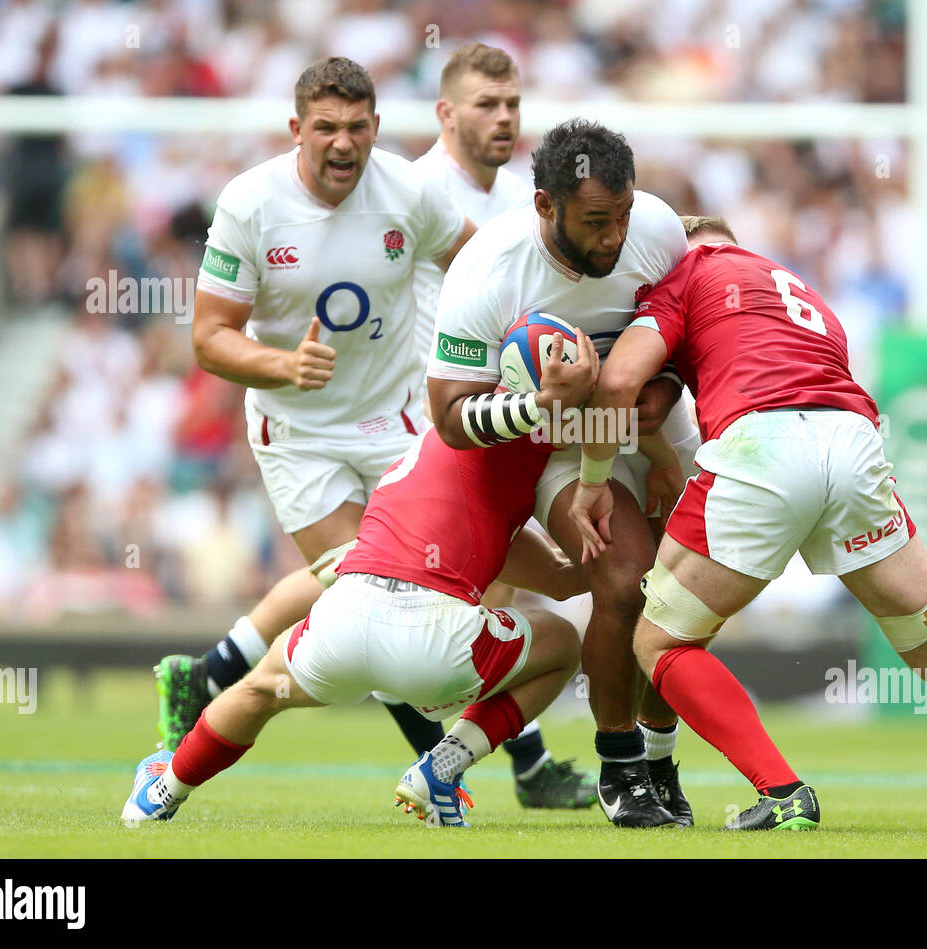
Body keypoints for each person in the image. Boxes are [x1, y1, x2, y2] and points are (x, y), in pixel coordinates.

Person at [569, 216, 927, 834]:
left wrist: (593, 479)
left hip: (761, 446)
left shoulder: (683, 277)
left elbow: (621, 381)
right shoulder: (797, 288)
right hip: (853, 443)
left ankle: (783, 791)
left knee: (660, 641)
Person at [155, 57, 477, 764]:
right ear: (296, 129)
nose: (342, 142)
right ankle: (441, 766)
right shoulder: (250, 203)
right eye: (325, 127)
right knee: (376, 589)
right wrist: (284, 366)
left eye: (357, 127)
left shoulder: (410, 191)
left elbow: (477, 264)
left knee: (406, 579)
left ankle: (210, 672)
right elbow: (209, 338)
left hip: (395, 422)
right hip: (299, 434)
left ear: (376, 128)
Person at [121, 357, 595, 829]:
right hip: (435, 648)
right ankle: (444, 766)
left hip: (344, 621)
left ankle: (161, 792)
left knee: (259, 690)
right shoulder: (529, 455)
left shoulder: (434, 440)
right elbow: (558, 577)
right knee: (563, 646)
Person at [427, 119, 699, 828]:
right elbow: (451, 416)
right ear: (545, 205)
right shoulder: (489, 268)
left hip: (656, 428)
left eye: (623, 217)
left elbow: (690, 336)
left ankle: (661, 757)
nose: (615, 238)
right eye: (596, 222)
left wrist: (652, 399)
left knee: (689, 597)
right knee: (622, 577)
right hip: (565, 448)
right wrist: (538, 404)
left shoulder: (661, 230)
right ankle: (620, 763)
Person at [394, 42, 594, 809]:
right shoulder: (411, 193)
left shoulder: (527, 198)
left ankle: (499, 762)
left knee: (485, 610)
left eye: (512, 103)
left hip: (513, 425)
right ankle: (506, 763)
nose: (505, 117)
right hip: (434, 429)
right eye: (487, 104)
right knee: (425, 610)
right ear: (446, 113)